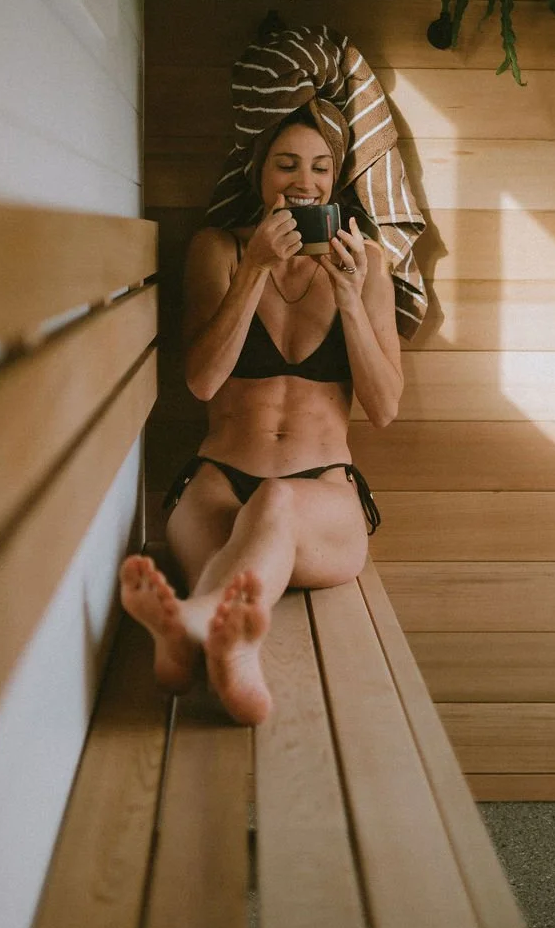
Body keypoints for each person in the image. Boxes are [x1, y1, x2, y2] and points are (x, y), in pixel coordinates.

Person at [119, 102, 403, 724]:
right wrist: (254, 270)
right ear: (259, 173)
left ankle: (199, 625)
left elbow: (384, 408)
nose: (305, 182)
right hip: (218, 483)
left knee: (275, 503)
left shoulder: (368, 263)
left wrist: (351, 300)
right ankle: (223, 642)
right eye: (287, 164)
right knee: (251, 542)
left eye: (321, 168)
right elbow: (201, 382)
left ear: (336, 179)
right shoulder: (219, 249)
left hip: (323, 494)